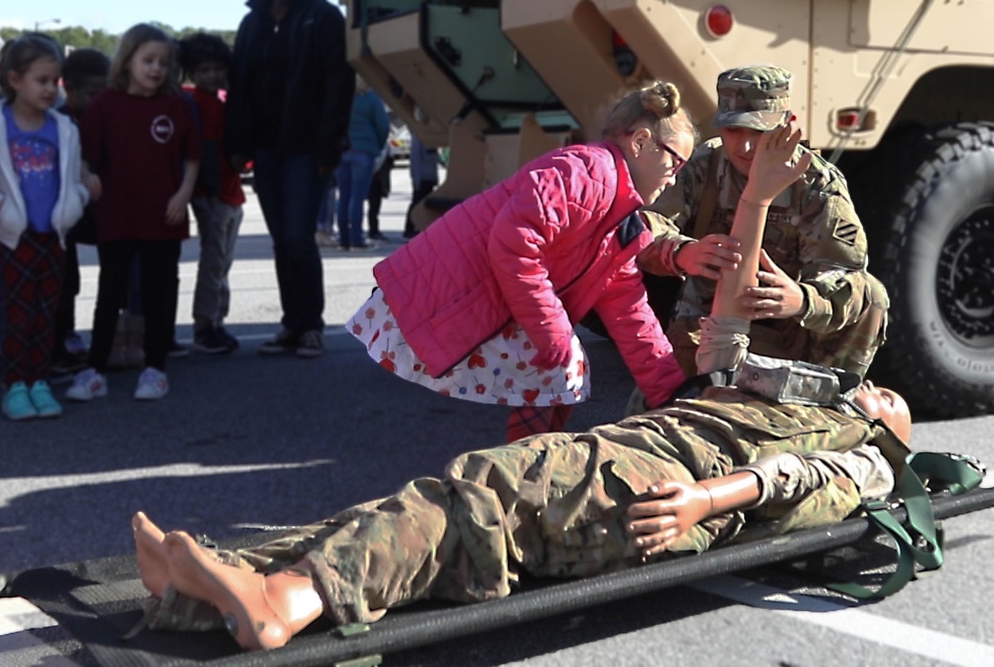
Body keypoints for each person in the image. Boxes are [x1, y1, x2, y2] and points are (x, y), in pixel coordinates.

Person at [130, 125, 915, 650]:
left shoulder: (866, 456)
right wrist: (752, 211)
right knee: (463, 490)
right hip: (653, 450)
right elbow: (712, 322)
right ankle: (223, 579)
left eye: (891, 406)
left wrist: (710, 500)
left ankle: (284, 602)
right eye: (881, 392)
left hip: (673, 489)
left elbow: (801, 483)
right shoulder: (797, 396)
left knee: (482, 502)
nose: (881, 397)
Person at [347, 81, 691, 440]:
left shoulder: (619, 221)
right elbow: (515, 244)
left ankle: (529, 463)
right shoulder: (586, 173)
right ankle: (526, 466)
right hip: (451, 290)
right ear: (640, 143)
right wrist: (553, 330)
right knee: (560, 369)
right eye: (676, 162)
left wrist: (673, 392)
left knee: (559, 373)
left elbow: (630, 313)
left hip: (477, 290)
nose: (675, 178)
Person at [636, 65, 889, 380]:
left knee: (873, 296)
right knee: (662, 409)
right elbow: (643, 227)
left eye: (757, 132)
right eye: (733, 131)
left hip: (792, 328)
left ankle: (831, 402)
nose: (743, 146)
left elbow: (846, 275)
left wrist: (802, 300)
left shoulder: (816, 184)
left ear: (787, 124)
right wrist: (680, 252)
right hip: (709, 320)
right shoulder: (706, 166)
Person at [66, 24, 201, 402]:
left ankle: (155, 369)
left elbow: (192, 156)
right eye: (148, 60)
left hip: (163, 215)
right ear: (127, 61)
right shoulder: (104, 105)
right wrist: (86, 175)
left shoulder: (175, 106)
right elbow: (85, 155)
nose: (156, 69)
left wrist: (183, 193)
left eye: (163, 62)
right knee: (111, 292)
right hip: (118, 214)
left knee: (159, 294)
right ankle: (95, 370)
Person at [225, 0, 355, 358]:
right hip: (266, 148)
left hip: (307, 147)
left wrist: (329, 148)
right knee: (282, 239)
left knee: (298, 236)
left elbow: (338, 82)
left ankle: (311, 324)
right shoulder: (252, 23)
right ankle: (291, 323)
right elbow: (239, 85)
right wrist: (237, 144)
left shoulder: (324, 16)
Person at [0, 34, 91, 419]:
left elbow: (74, 176)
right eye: (42, 80)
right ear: (14, 79)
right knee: (16, 313)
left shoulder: (64, 128)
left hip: (53, 236)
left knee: (45, 312)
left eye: (56, 81)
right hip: (12, 236)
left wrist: (78, 200)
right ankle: (15, 385)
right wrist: (0, 207)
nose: (52, 89)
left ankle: (39, 381)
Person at [178, 33, 246, 355]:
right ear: (192, 72)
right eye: (203, 70)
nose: (211, 75)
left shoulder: (220, 101)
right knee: (214, 261)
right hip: (214, 193)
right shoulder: (198, 105)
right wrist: (215, 191)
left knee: (222, 261)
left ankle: (217, 319)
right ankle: (206, 324)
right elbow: (203, 151)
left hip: (230, 191)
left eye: (216, 68)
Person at [50, 48, 110, 381]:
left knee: (78, 280)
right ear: (69, 88)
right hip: (60, 213)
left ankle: (78, 337)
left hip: (93, 207)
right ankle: (57, 344)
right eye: (93, 94)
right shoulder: (58, 120)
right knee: (62, 280)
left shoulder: (105, 115)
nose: (99, 100)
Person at [335, 75, 389, 250]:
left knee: (343, 196)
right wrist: (378, 145)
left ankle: (344, 238)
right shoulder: (372, 99)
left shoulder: (340, 97)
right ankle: (357, 238)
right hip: (364, 150)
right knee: (358, 197)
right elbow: (383, 126)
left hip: (341, 150)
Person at [403, 132, 438, 239]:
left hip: (429, 176)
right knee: (417, 202)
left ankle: (419, 227)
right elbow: (416, 159)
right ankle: (410, 229)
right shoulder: (418, 137)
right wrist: (416, 180)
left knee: (424, 204)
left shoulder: (430, 138)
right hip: (422, 177)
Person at [366, 145, 393, 242]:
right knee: (374, 206)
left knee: (374, 206)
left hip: (377, 179)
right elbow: (378, 164)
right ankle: (373, 231)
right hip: (376, 180)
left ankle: (373, 230)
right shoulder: (382, 148)